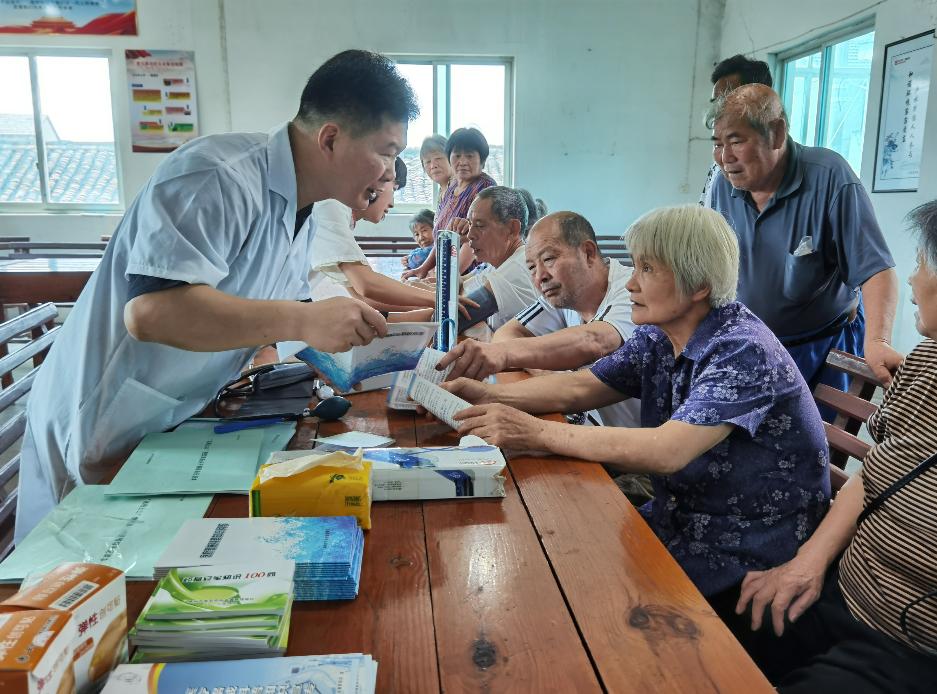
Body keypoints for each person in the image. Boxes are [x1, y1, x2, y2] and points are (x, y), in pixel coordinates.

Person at [15, 49, 418, 541]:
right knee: (79, 583)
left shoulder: (303, 209)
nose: (389, 175)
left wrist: (309, 371)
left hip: (176, 422)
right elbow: (151, 312)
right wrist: (302, 321)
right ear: (330, 137)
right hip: (106, 412)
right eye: (388, 152)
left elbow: (264, 323)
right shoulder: (216, 175)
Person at [444, 205, 830, 600]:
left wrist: (533, 430)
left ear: (697, 284)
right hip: (681, 515)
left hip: (744, 543)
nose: (630, 284)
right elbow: (580, 388)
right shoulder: (661, 336)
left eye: (647, 269)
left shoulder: (742, 348)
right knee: (550, 551)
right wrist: (487, 394)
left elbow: (667, 451)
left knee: (572, 583)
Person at [732, 200, 937, 692]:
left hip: (904, 647)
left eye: (922, 262)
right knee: (698, 626)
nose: (912, 279)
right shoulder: (928, 363)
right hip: (838, 588)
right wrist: (807, 565)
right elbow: (874, 474)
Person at [706, 84, 902, 393]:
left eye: (736, 141)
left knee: (817, 438)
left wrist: (877, 341)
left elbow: (876, 270)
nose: (724, 157)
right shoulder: (721, 184)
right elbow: (710, 264)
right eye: (717, 143)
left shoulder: (830, 176)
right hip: (748, 345)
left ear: (778, 133)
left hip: (821, 346)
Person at [438, 211, 640, 429]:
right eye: (532, 267)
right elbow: (505, 334)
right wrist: (547, 372)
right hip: (582, 430)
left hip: (629, 449)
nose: (540, 276)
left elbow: (596, 340)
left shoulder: (632, 289)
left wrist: (505, 355)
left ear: (588, 253)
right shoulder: (561, 295)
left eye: (549, 259)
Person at [307, 158, 440, 312]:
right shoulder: (332, 205)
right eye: (394, 189)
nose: (392, 203)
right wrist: (436, 300)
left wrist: (428, 304)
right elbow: (366, 286)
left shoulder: (343, 215)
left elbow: (364, 297)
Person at [403, 127, 497, 279]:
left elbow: (474, 241)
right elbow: (442, 237)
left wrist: (447, 278)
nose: (462, 162)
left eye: (470, 156)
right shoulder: (451, 188)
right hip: (447, 275)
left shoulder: (485, 188)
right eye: (457, 155)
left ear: (482, 160)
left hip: (473, 276)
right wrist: (424, 268)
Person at [699, 54, 773, 207]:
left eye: (728, 101)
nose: (718, 112)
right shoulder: (720, 170)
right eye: (716, 103)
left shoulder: (822, 174)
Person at [420, 134, 454, 208]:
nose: (433, 166)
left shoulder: (461, 188)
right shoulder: (442, 191)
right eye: (428, 161)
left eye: (438, 158)